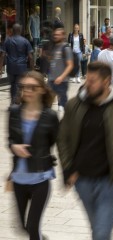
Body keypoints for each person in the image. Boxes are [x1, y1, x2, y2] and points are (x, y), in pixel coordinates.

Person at [57, 61, 113, 240]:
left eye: (93, 81)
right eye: (87, 80)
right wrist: (68, 168)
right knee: (98, 229)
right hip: (83, 182)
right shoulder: (74, 105)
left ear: (106, 81)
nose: (88, 84)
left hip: (111, 182)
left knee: (101, 233)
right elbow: (62, 138)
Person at [8, 70, 59, 240]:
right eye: (23, 87)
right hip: (18, 179)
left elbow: (54, 142)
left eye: (32, 87)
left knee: (32, 225)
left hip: (40, 177)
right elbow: (10, 140)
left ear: (42, 90)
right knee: (22, 226)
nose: (27, 91)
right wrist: (15, 147)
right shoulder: (14, 112)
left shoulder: (50, 116)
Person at [0, 23, 33, 106]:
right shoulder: (25, 41)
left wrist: (0, 68)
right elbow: (30, 57)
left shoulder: (7, 41)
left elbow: (2, 55)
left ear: (13, 31)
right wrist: (32, 70)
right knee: (19, 85)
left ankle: (12, 102)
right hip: (21, 67)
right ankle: (17, 102)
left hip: (11, 67)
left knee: (12, 84)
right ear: (20, 31)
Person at [47, 28, 74, 112]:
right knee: (47, 101)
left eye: (58, 35)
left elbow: (70, 65)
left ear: (63, 36)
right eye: (55, 35)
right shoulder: (54, 47)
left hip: (62, 80)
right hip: (51, 78)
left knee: (62, 106)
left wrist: (61, 77)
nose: (55, 36)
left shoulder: (66, 48)